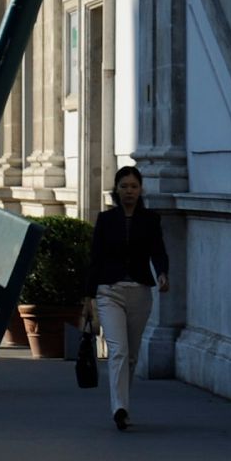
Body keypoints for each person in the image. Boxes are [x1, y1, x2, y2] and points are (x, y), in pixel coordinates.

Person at [81, 166, 169, 431]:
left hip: (140, 292)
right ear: (116, 190)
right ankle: (119, 407)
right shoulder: (106, 220)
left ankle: (124, 404)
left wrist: (163, 273)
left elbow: (158, 251)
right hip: (110, 292)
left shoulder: (151, 220)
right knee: (118, 351)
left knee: (131, 356)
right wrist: (88, 297)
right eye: (124, 186)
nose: (129, 191)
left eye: (133, 186)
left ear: (140, 189)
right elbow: (95, 259)